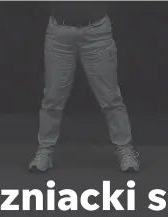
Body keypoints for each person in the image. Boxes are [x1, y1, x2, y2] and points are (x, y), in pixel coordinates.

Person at [29, 1, 140, 173]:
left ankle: (125, 150)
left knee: (110, 97)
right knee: (52, 97)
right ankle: (44, 151)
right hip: (59, 31)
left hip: (97, 32)